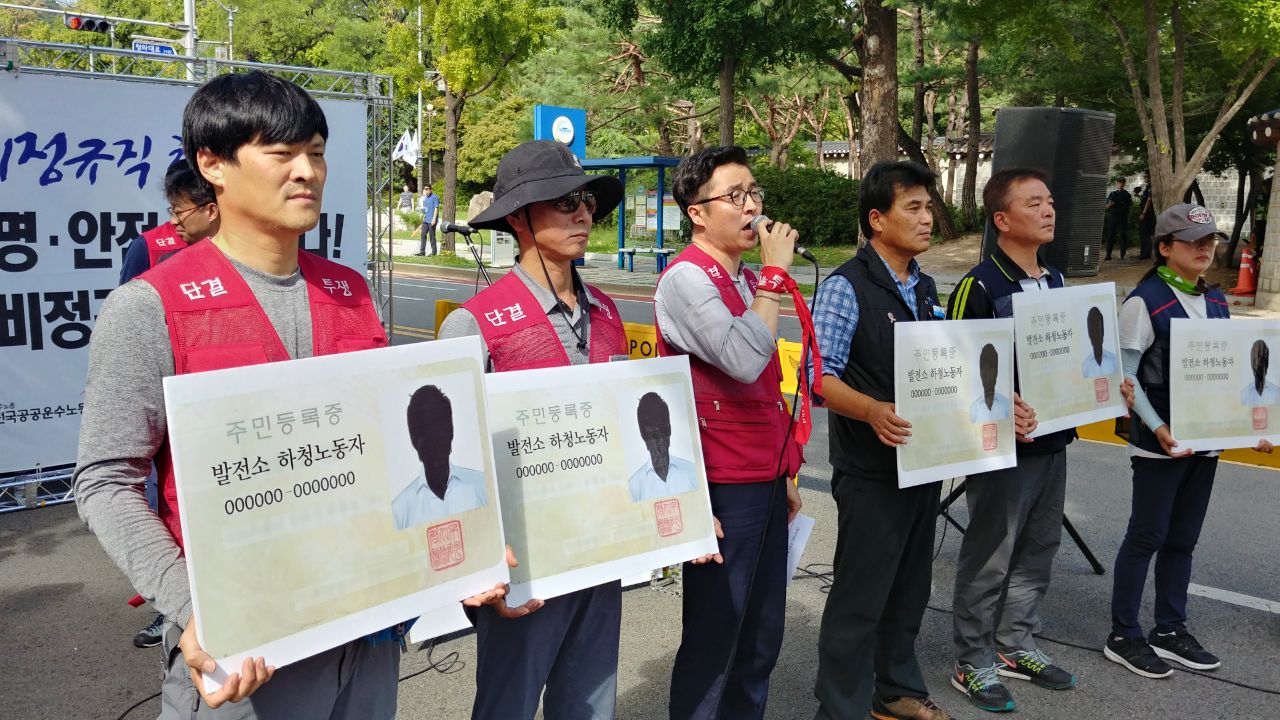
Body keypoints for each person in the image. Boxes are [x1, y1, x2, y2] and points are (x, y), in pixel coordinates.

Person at [74, 71, 510, 718]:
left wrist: (462, 544)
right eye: (280, 155)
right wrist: (195, 608)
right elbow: (105, 480)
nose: (305, 171)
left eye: (315, 152)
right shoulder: (151, 307)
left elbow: (386, 446)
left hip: (366, 629)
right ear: (212, 165)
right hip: (248, 649)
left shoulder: (350, 291)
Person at [437, 139, 629, 720]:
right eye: (563, 201)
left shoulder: (608, 311)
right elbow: (451, 459)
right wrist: (479, 563)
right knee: (509, 704)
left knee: (591, 702)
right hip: (524, 561)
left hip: (601, 548)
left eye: (587, 201)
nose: (582, 213)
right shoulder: (478, 323)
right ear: (518, 218)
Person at [656, 145, 804, 720]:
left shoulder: (741, 280)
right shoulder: (687, 279)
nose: (751, 208)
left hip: (761, 474)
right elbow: (743, 359)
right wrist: (772, 280)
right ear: (697, 211)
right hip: (721, 481)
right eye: (735, 196)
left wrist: (785, 470)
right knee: (718, 634)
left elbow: (766, 384)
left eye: (754, 193)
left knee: (762, 633)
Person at [810, 161, 955, 720]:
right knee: (859, 598)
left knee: (909, 588)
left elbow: (947, 369)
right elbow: (819, 378)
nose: (926, 219)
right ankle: (839, 708)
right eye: (912, 208)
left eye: (928, 206)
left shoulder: (924, 286)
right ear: (877, 219)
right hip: (871, 470)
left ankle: (895, 690)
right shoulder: (847, 286)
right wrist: (871, 410)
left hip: (923, 463)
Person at [1105, 203, 1273, 679]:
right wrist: (1158, 427)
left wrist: (1251, 427)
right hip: (1160, 443)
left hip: (1206, 443)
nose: (1204, 248)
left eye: (1210, 240)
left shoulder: (1217, 301)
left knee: (1183, 540)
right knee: (1147, 536)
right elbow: (1128, 377)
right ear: (1163, 248)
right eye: (1192, 240)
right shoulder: (1145, 301)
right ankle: (1124, 635)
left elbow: (1229, 376)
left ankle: (1169, 628)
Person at [945, 168, 1078, 713]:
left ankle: (1016, 643)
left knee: (1038, 549)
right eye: (1033, 203)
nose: (1048, 210)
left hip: (1053, 443)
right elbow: (952, 372)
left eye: (1049, 200)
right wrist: (1003, 409)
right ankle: (971, 660)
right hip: (1002, 449)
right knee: (990, 555)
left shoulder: (1059, 282)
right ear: (1002, 219)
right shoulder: (978, 286)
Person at [391, 384, 487, 529]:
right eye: (428, 432)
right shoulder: (400, 511)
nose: (436, 441)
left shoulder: (482, 486)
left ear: (451, 432)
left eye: (441, 428)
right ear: (415, 441)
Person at [119, 160, 221, 285]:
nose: (173, 221)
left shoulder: (241, 248)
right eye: (173, 211)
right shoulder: (147, 246)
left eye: (179, 212)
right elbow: (129, 301)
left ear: (211, 211)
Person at [628, 391, 697, 502]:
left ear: (669, 430)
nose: (658, 441)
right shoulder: (634, 486)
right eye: (652, 433)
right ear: (643, 435)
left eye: (661, 430)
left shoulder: (693, 473)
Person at [969, 344, 1012, 423]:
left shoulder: (1007, 405)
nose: (988, 376)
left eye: (991, 369)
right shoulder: (973, 410)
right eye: (985, 370)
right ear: (980, 373)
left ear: (996, 372)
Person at [1082, 306, 1119, 378]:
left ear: (1103, 332)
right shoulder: (1084, 367)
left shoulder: (1114, 360)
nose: (1096, 336)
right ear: (1089, 335)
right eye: (1093, 332)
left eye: (1098, 331)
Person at [1240, 340, 1280, 407]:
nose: (1259, 364)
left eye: (1262, 359)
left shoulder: (1277, 393)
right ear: (1252, 363)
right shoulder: (1244, 395)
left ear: (1267, 363)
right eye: (1256, 360)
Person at [1104, 177, 1134, 260]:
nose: (1120, 184)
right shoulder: (1112, 194)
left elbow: (1130, 206)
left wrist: (1129, 218)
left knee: (1123, 237)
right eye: (1119, 182)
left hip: (1123, 219)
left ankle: (1122, 255)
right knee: (1110, 236)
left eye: (1122, 182)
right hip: (1113, 218)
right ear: (1117, 184)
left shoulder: (1127, 195)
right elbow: (1106, 206)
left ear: (1124, 184)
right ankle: (1108, 255)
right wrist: (1110, 205)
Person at [1137, 175, 1155, 260]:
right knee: (1145, 234)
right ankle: (1145, 253)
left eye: (1146, 177)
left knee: (1145, 234)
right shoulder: (1147, 187)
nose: (1145, 178)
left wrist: (1144, 213)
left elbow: (1149, 200)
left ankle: (1145, 254)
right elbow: (1145, 199)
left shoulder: (1151, 187)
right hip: (1146, 214)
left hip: (1148, 215)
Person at [418, 184, 440, 256]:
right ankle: (422, 252)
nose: (426, 190)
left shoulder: (435, 197)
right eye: (425, 189)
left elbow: (436, 208)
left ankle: (434, 252)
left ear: (431, 189)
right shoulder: (425, 198)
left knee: (432, 236)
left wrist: (434, 219)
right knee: (423, 234)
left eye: (428, 189)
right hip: (425, 220)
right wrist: (422, 216)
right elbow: (424, 209)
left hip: (432, 220)